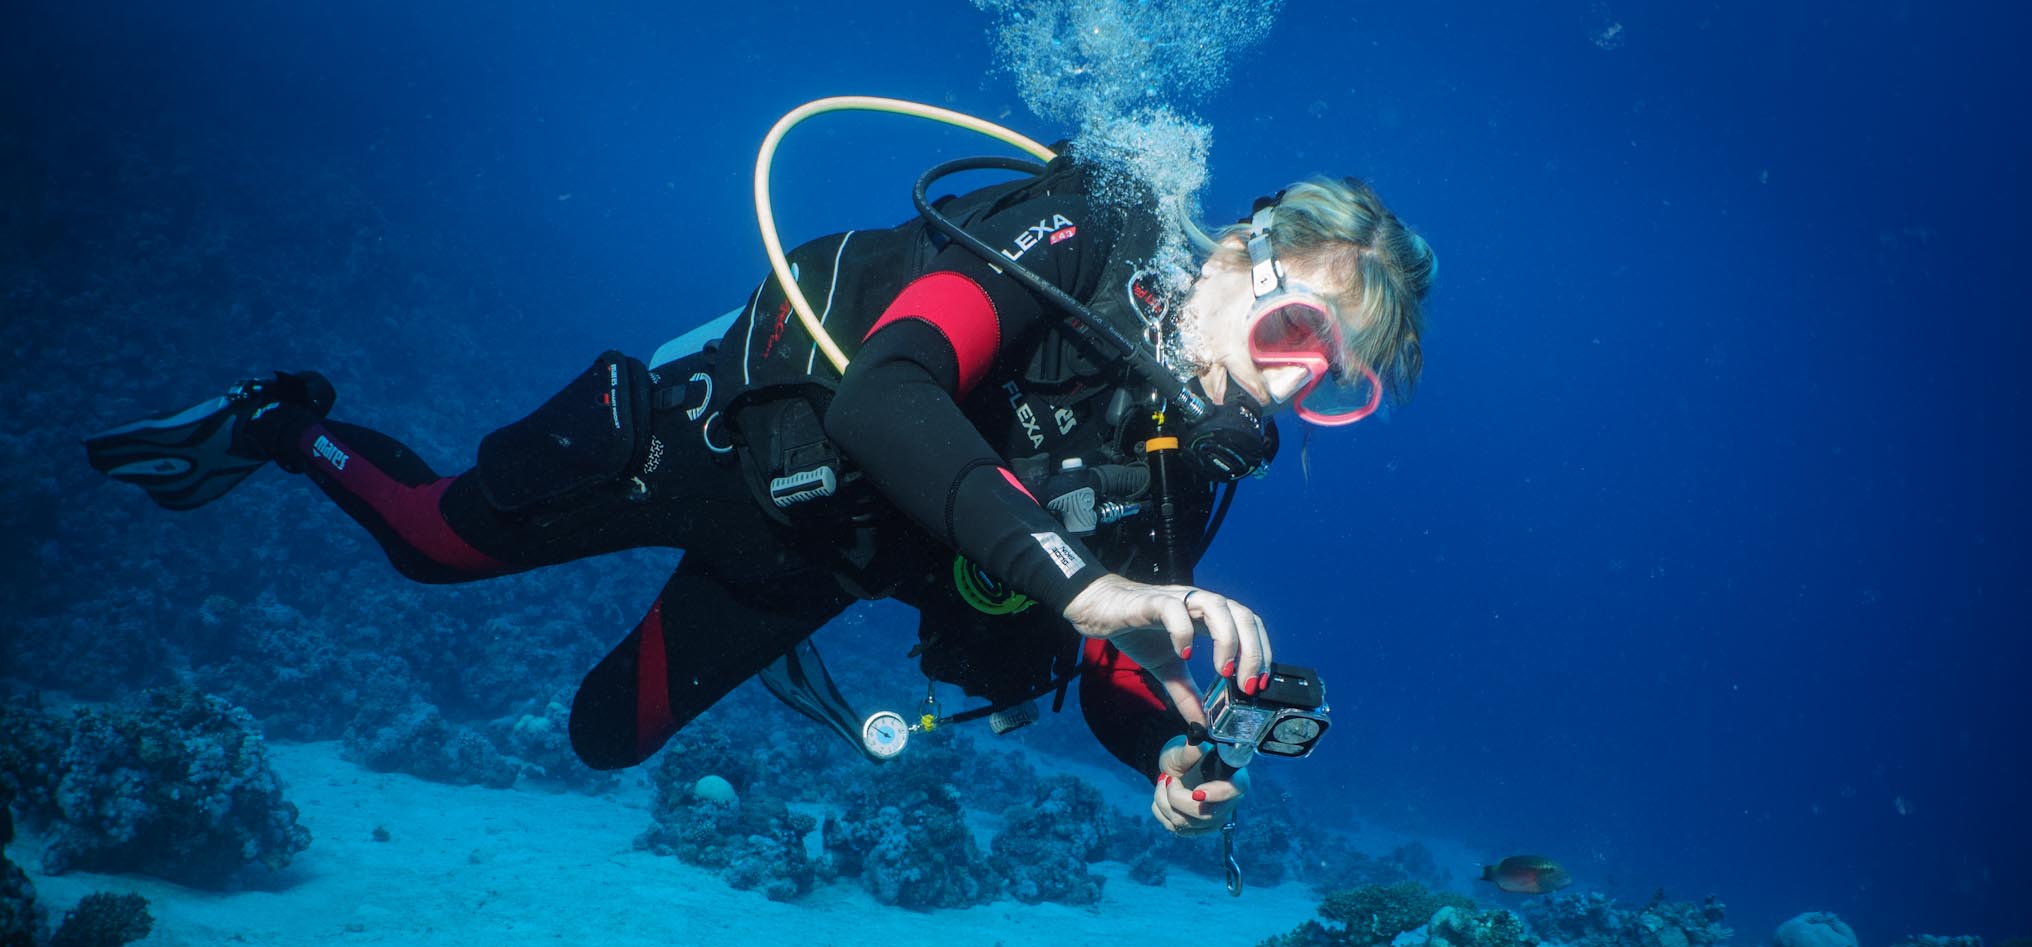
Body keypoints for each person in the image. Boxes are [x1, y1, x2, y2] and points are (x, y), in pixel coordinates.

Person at [85, 149, 1434, 835]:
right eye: (1294, 340)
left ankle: (778, 642)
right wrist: (1092, 584)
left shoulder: (1183, 455)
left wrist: (1169, 750)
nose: (1286, 394)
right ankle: (280, 424)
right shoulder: (1086, 230)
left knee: (602, 737)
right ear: (1245, 255)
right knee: (432, 545)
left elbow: (1110, 658)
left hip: (808, 561)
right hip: (708, 438)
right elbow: (885, 394)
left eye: (1337, 387)